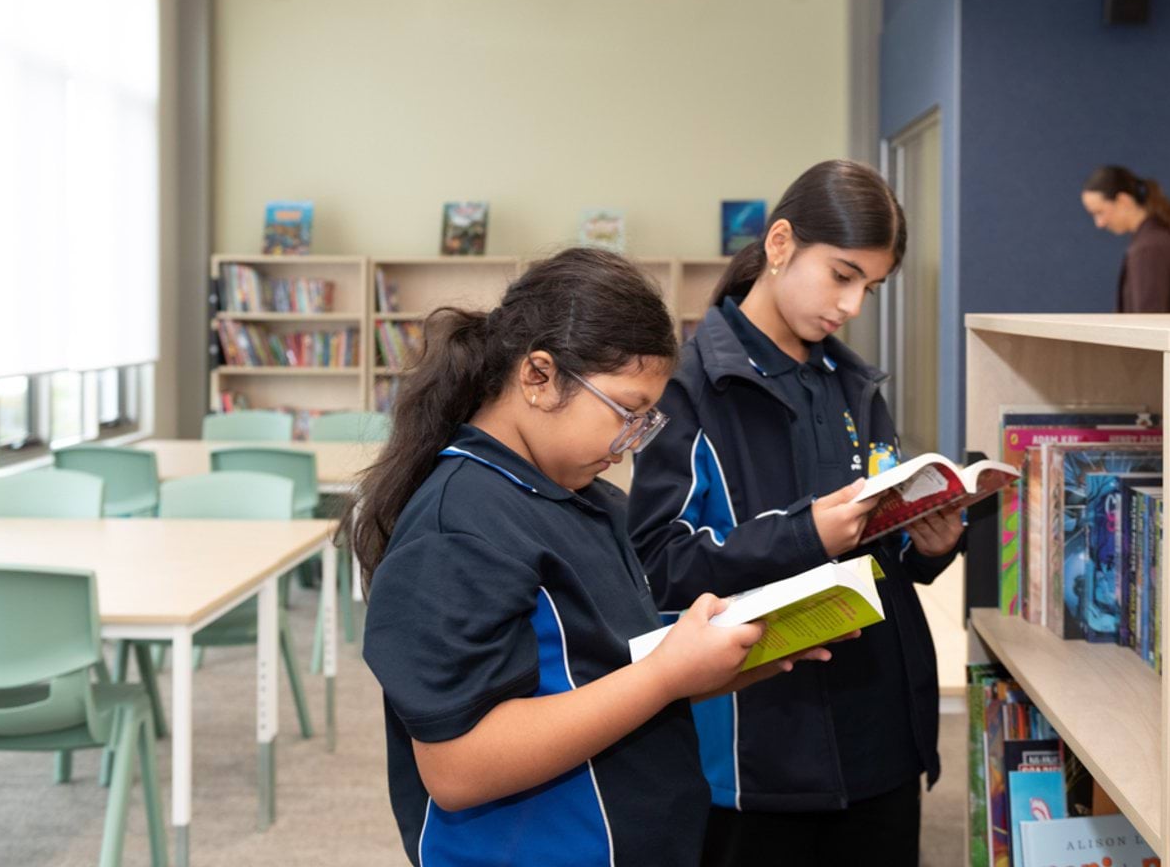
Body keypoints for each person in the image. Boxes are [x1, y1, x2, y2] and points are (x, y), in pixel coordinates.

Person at [350, 248, 837, 867]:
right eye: (626, 412)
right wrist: (665, 676)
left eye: (644, 421)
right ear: (538, 376)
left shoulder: (588, 498)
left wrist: (719, 658)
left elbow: (595, 667)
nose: (628, 444)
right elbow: (457, 766)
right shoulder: (458, 525)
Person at [629, 159, 965, 867]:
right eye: (842, 276)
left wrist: (929, 542)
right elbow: (658, 564)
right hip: (760, 755)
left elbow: (881, 543)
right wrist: (804, 535)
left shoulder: (854, 385)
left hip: (881, 733)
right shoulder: (688, 390)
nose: (851, 306)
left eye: (869, 288)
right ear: (779, 244)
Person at [1080, 165, 1170, 313]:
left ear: (1123, 200)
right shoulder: (1166, 237)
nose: (1099, 223)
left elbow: (1147, 326)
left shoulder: (1148, 250)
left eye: (1099, 212)